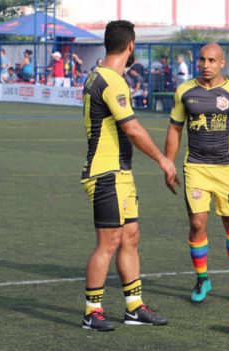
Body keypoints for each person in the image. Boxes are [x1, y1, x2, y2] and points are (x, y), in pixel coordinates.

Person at [80, 20, 178, 331]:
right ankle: (91, 311)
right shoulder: (110, 80)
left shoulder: (101, 76)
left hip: (120, 173)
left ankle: (134, 307)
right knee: (108, 242)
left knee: (130, 238)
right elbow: (133, 129)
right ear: (131, 45)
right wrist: (164, 161)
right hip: (106, 173)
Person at [165, 43, 229, 303]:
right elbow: (175, 129)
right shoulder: (185, 91)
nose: (206, 65)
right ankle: (202, 279)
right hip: (196, 166)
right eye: (202, 60)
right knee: (198, 223)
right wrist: (169, 164)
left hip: (226, 168)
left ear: (222, 63)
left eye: (212, 60)